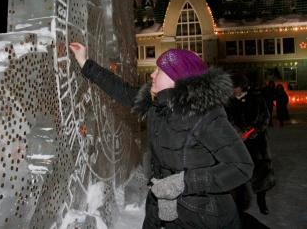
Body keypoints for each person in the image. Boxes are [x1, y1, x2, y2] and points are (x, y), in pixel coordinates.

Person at [69, 42, 254, 228]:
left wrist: (183, 183)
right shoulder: (155, 104)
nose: (152, 75)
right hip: (163, 207)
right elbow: (121, 89)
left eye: (159, 71)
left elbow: (241, 167)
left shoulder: (205, 114)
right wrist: (85, 62)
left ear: (177, 79)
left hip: (204, 217)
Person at [225, 73, 275, 216]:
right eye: (232, 88)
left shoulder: (257, 98)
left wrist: (251, 131)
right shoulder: (228, 102)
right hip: (238, 144)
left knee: (261, 174)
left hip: (257, 143)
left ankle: (262, 202)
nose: (234, 90)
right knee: (238, 174)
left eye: (236, 87)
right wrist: (237, 132)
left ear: (242, 86)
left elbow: (265, 117)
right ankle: (240, 204)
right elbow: (227, 120)